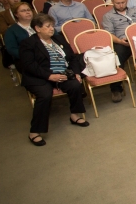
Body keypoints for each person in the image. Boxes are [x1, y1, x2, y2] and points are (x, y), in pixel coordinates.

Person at [20, 13, 88, 146]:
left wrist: (75, 72)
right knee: (45, 95)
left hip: (62, 74)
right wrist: (49, 76)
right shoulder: (28, 43)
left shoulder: (59, 39)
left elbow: (73, 58)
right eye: (48, 26)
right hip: (40, 77)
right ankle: (34, 131)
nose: (52, 28)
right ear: (37, 28)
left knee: (75, 85)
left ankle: (74, 115)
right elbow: (29, 65)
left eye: (52, 25)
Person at [101, 0, 136, 103]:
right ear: (112, 3)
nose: (121, 5)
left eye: (123, 2)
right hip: (122, 42)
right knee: (116, 58)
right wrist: (120, 41)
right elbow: (109, 34)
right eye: (118, 3)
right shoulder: (108, 16)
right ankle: (116, 88)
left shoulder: (135, 11)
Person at [3, 2, 34, 70]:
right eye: (23, 11)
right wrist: (29, 56)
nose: (27, 12)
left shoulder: (41, 24)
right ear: (16, 14)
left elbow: (55, 37)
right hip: (25, 59)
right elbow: (12, 49)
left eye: (28, 10)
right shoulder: (11, 30)